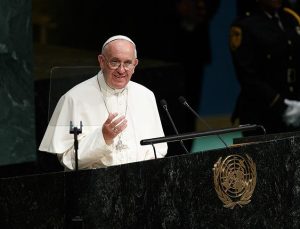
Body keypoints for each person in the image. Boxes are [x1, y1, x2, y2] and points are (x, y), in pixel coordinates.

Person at [39, 35, 168, 170]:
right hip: (95, 186)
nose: (121, 69)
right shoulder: (74, 99)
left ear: (135, 64)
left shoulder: (145, 95)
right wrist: (103, 138)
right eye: (115, 62)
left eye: (127, 63)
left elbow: (159, 148)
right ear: (101, 61)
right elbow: (68, 159)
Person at [229, 0, 300, 135]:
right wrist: (282, 106)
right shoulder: (244, 26)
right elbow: (248, 77)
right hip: (262, 113)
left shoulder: (290, 17)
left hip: (295, 107)